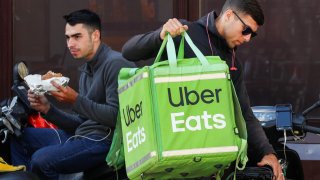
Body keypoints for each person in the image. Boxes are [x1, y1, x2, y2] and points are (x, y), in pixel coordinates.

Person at [122, 0, 284, 179]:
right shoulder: (185, 32)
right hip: (169, 156)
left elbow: (244, 112)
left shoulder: (233, 62)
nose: (247, 38)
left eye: (252, 35)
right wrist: (160, 35)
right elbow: (129, 51)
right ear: (229, 15)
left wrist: (268, 153)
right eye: (246, 30)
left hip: (207, 163)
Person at [11, 9, 135, 179]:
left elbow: (118, 117)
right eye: (68, 37)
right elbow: (79, 123)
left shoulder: (115, 63)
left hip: (106, 142)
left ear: (95, 35)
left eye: (77, 37)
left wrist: (75, 99)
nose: (70, 44)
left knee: (41, 160)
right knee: (19, 136)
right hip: (83, 135)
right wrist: (48, 109)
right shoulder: (86, 69)